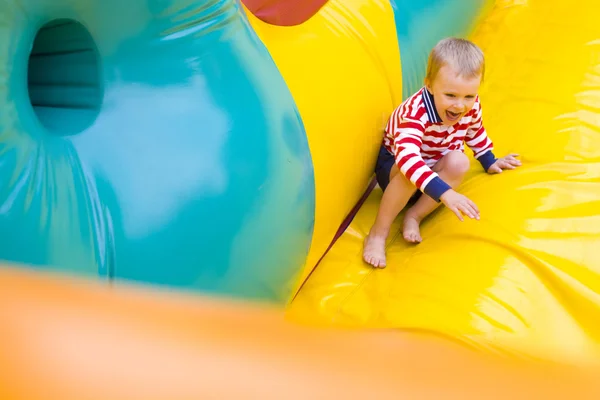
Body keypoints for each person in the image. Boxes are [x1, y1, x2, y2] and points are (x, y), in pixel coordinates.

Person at [363, 37, 521, 268]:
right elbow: (407, 160)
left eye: (468, 96)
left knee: (459, 162)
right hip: (396, 170)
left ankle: (414, 215)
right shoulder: (415, 113)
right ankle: (377, 234)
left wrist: (489, 159)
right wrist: (445, 193)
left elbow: (474, 130)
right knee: (410, 175)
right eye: (451, 96)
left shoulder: (470, 105)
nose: (460, 105)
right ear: (429, 85)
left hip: (434, 166)